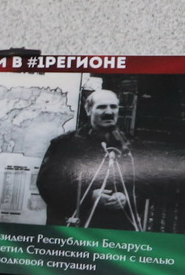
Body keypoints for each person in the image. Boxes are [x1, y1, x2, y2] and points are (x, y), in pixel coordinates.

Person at [37, 88, 139, 230]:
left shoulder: (131, 145)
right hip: (76, 227)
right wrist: (89, 197)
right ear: (89, 110)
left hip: (117, 229)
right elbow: (47, 186)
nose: (109, 112)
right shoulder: (64, 145)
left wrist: (126, 198)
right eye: (102, 107)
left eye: (113, 107)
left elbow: (145, 184)